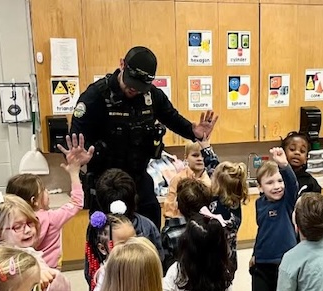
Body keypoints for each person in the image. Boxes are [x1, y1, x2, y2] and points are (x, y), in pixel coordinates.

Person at [70, 45, 219, 229]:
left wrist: (193, 132)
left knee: (152, 232)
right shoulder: (96, 96)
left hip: (138, 179)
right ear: (122, 64)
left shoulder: (151, 95)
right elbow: (76, 141)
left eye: (140, 86)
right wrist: (81, 159)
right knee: (106, 241)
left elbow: (171, 117)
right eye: (131, 83)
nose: (134, 89)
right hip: (107, 184)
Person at [243, 148, 298, 291]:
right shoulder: (259, 205)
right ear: (260, 187)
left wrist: (284, 166)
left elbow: (292, 185)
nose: (276, 185)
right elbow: (262, 231)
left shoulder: (287, 201)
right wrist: (255, 253)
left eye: (278, 181)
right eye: (270, 182)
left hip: (285, 265)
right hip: (262, 265)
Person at [5, 134, 93, 268]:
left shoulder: (9, 224)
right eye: (44, 190)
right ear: (34, 200)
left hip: (23, 275)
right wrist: (74, 173)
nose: (47, 193)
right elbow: (76, 203)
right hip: (50, 273)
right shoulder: (51, 219)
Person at [85, 169, 164, 291]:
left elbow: (90, 271)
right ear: (134, 199)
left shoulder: (96, 229)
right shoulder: (147, 226)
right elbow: (159, 261)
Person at [208, 161, 249, 291]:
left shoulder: (217, 206)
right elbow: (215, 168)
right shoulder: (233, 200)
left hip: (217, 260)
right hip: (230, 261)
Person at [160, 177, 213, 272]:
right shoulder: (214, 228)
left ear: (177, 205)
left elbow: (166, 268)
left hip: (178, 282)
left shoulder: (169, 233)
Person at [88, 212, 137, 291]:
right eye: (123, 244)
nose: (131, 247)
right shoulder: (105, 276)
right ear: (103, 248)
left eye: (134, 240)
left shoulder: (141, 264)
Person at [164, 139, 219, 218]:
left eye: (202, 155)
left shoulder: (212, 180)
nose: (200, 159)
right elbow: (169, 208)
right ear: (186, 157)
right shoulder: (178, 179)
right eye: (195, 155)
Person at [282, 131, 320, 197]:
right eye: (292, 149)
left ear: (306, 159)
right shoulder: (276, 177)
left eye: (302, 151)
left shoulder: (311, 183)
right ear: (283, 153)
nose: (297, 153)